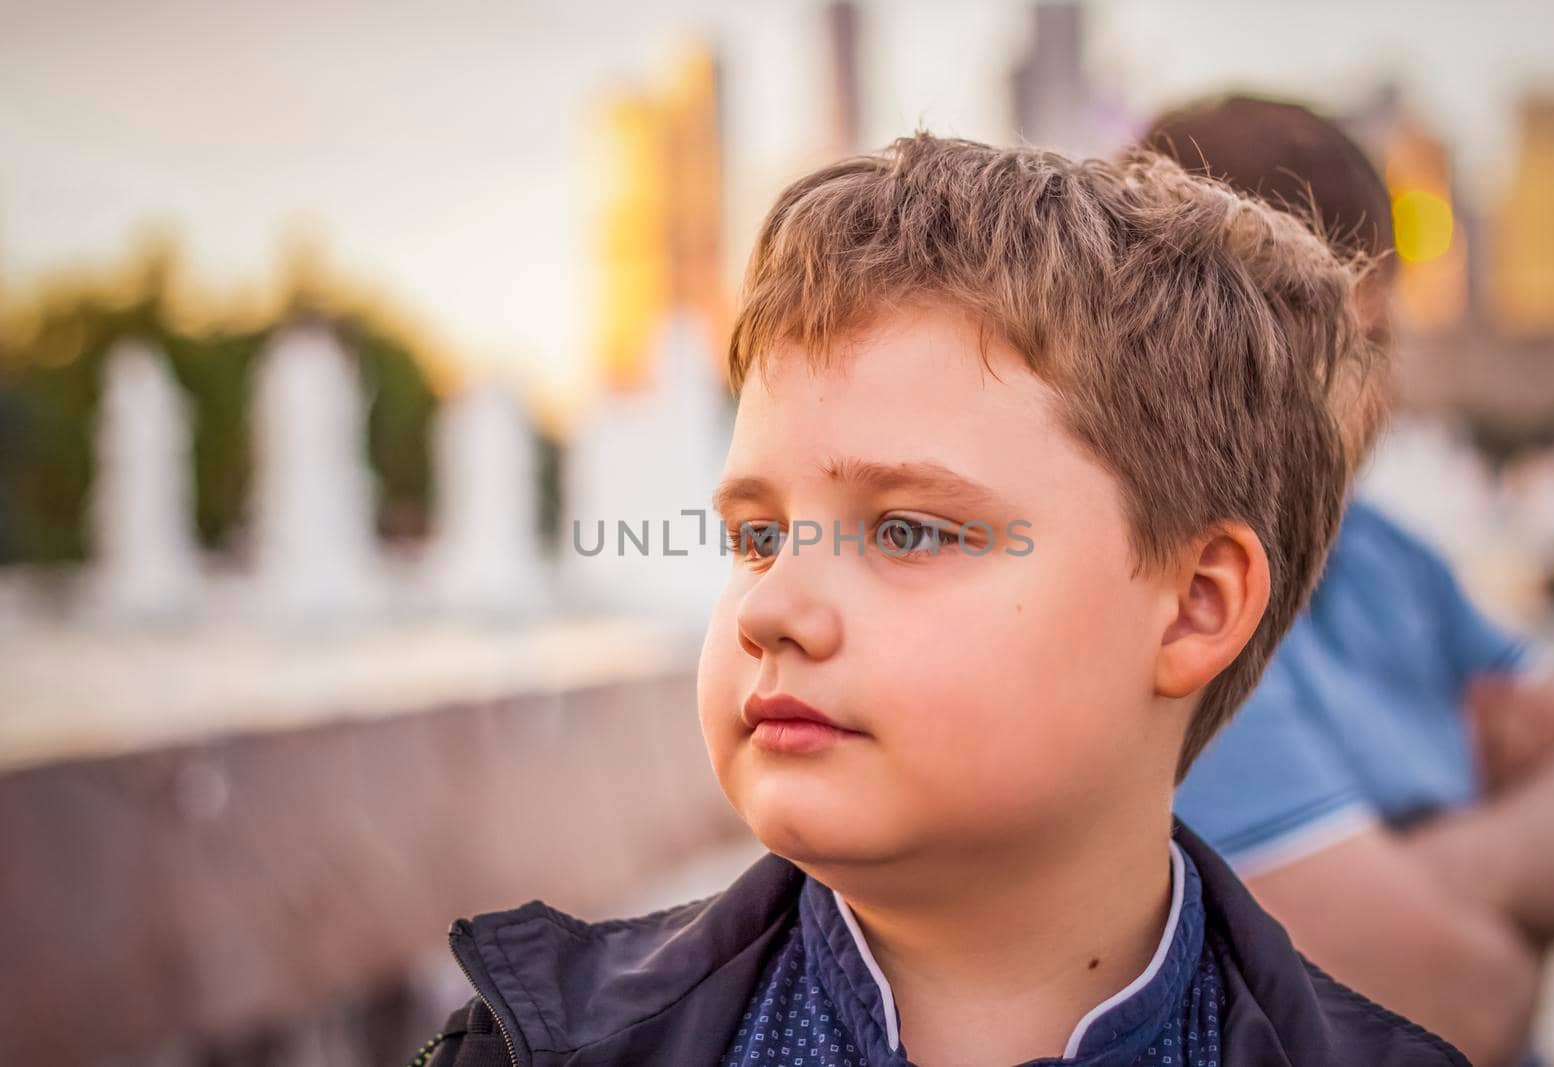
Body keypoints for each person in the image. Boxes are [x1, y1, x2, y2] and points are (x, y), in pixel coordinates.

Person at [418, 133, 1461, 1066]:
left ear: (1193, 604)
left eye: (908, 530)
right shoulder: (529, 1043)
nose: (771, 609)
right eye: (758, 535)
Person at [1148, 95, 1554, 1067]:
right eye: (1364, 339)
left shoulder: (1385, 552)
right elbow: (1450, 1009)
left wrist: (1430, 878)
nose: (1383, 387)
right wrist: (1515, 882)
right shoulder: (1171, 619)